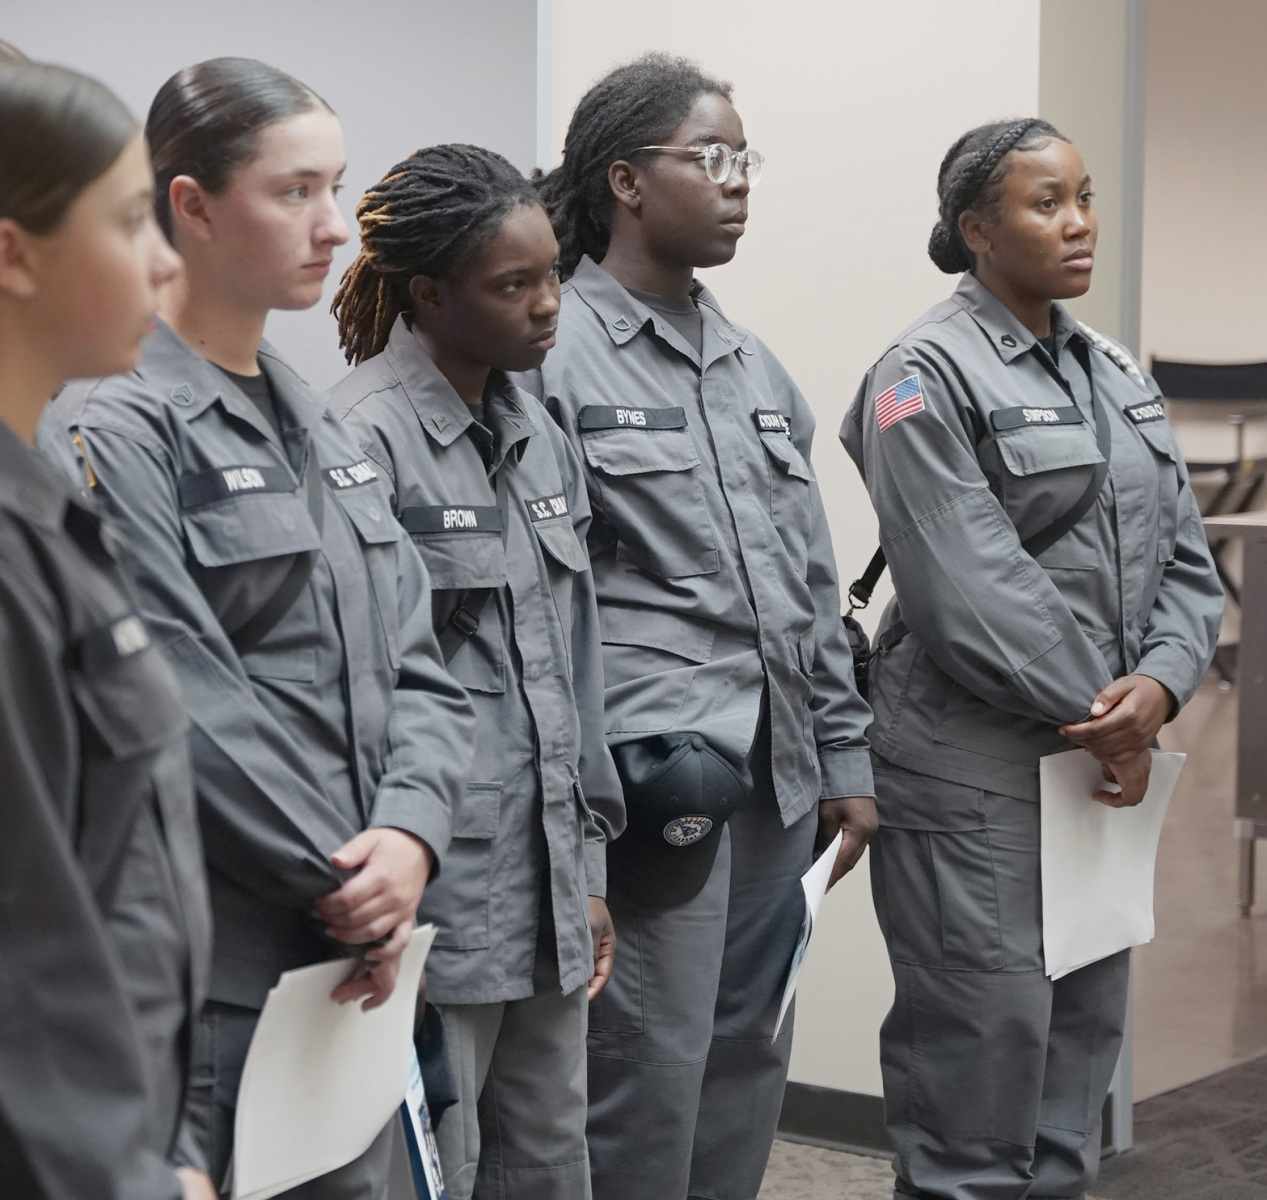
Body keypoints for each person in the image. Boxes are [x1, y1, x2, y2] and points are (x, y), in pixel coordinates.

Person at [37, 57, 475, 1198]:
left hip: (359, 943)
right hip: (231, 956)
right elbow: (174, 690)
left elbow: (421, 664)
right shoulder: (118, 424)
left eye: (337, 187)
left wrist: (411, 835)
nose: (335, 226)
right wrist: (343, 874)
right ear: (190, 205)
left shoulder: (319, 422)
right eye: (295, 191)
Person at [841, 118, 1223, 1200]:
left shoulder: (1111, 368)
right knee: (976, 1085)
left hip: (1091, 775)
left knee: (1071, 1087)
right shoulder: (919, 374)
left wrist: (1160, 686)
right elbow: (968, 586)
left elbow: (1185, 558)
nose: (1078, 222)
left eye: (1083, 196)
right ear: (976, 229)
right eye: (1045, 203)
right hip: (973, 778)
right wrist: (1112, 716)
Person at [528, 52, 877, 1200]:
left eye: (744, 160)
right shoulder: (553, 354)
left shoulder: (752, 368)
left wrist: (842, 756)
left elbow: (808, 584)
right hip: (649, 783)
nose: (737, 182)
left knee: (746, 1063)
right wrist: (576, 820)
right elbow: (544, 611)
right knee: (645, 1076)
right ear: (626, 181)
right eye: (710, 157)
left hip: (775, 784)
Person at [329, 143, 625, 1199]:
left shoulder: (536, 430)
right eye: (513, 285)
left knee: (547, 1163)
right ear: (430, 293)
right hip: (443, 884)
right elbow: (363, 694)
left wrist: (588, 872)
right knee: (434, 1168)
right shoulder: (358, 437)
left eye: (552, 277)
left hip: (547, 878)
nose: (548, 306)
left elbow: (576, 666)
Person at [0, 61, 214, 1200]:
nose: (166, 261)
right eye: (132, 221)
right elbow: (24, 940)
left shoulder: (42, 495)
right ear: (14, 253)